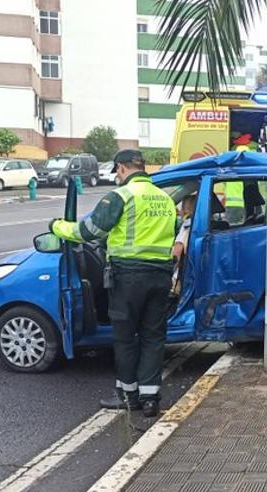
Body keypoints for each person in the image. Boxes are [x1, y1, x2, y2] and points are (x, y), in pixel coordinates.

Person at [50, 149, 177, 416]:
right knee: (153, 336)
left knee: (125, 338)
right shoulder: (165, 199)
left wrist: (58, 227)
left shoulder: (121, 196)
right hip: (160, 276)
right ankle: (151, 398)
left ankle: (128, 396)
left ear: (121, 168)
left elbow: (89, 231)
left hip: (128, 277)